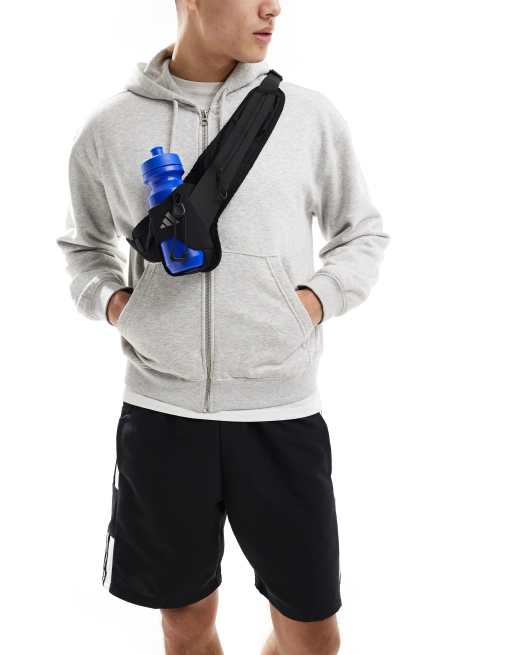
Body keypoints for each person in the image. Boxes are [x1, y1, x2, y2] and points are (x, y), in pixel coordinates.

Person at [56, 1, 390, 653]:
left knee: (313, 631)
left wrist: (311, 301)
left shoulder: (306, 116)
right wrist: (120, 306)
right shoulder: (110, 125)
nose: (273, 7)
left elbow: (361, 233)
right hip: (162, 413)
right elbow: (82, 246)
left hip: (278, 411)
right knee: (184, 624)